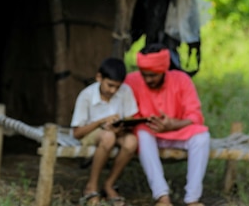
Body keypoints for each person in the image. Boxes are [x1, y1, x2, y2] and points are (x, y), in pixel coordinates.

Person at [124, 44, 210, 206]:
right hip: (149, 134)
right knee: (142, 134)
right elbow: (128, 114)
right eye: (144, 75)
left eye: (152, 75)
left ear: (163, 70)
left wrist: (172, 124)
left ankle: (192, 199)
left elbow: (195, 115)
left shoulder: (182, 80)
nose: (148, 80)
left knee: (202, 137)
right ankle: (162, 197)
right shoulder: (131, 80)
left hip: (178, 131)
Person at [70, 57, 139, 206]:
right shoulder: (86, 95)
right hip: (92, 133)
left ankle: (109, 184)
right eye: (110, 85)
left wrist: (121, 127)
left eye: (117, 87)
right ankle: (91, 187)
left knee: (131, 141)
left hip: (116, 133)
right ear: (99, 77)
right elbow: (77, 133)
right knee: (108, 137)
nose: (113, 91)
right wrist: (101, 122)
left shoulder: (125, 91)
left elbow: (129, 119)